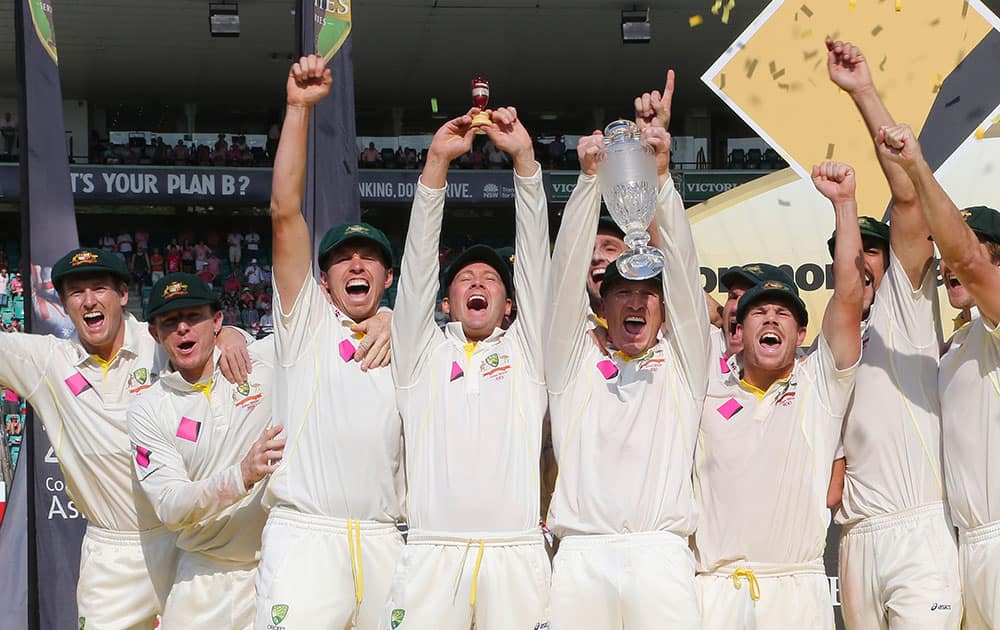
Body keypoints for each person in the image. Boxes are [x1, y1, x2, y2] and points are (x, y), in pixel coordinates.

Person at [0, 248, 252, 628]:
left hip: (185, 543)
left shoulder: (158, 338)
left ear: (121, 295)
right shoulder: (48, 362)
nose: (88, 301)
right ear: (65, 304)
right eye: (75, 292)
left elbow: (224, 338)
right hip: (111, 554)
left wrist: (232, 332)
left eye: (99, 288)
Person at [385, 98, 551, 629]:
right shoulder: (420, 351)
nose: (478, 282)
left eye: (491, 279)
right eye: (464, 278)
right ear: (445, 300)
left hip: (516, 555)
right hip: (433, 554)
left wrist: (525, 163)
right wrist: (436, 164)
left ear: (509, 302)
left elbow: (536, 264)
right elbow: (413, 267)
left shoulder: (530, 352)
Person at [545, 87, 707, 627]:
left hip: (660, 556)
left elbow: (682, 272)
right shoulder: (573, 363)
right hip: (580, 557)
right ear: (604, 304)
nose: (636, 303)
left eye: (647, 296)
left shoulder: (685, 365)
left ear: (663, 310)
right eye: (621, 294)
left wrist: (662, 180)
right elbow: (564, 275)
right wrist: (589, 184)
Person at [257, 54, 399, 629]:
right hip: (307, 537)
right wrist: (297, 110)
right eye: (343, 259)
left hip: (386, 539)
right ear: (322, 280)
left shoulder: (415, 338)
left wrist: (395, 321)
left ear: (388, 280)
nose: (356, 264)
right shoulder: (306, 319)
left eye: (369, 258)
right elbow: (284, 213)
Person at [825, 39, 961, 628]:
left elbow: (908, 195)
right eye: (852, 251)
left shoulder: (904, 310)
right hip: (854, 543)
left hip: (918, 533)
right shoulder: (821, 353)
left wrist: (864, 95)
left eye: (874, 251)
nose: (862, 262)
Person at [694, 161, 864, 630]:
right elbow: (680, 285)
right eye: (759, 312)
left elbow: (849, 297)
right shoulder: (706, 384)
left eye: (783, 313)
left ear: (802, 331)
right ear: (738, 328)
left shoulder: (820, 385)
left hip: (797, 595)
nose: (770, 320)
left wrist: (845, 205)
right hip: (714, 591)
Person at [878, 122, 1000, 628]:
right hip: (963, 549)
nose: (948, 262)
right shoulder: (954, 348)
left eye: (963, 251)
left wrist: (916, 167)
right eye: (942, 254)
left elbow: (970, 261)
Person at [128, 273, 279, 629]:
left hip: (278, 568)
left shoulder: (263, 361)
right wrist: (241, 476)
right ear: (155, 334)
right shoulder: (149, 408)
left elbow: (331, 326)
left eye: (194, 316)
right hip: (203, 577)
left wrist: (384, 316)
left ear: (217, 321)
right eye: (169, 322)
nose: (183, 328)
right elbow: (170, 506)